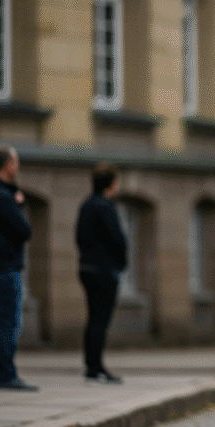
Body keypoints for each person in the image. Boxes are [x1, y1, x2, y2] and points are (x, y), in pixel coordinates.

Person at [0, 146, 37, 391]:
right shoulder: (2, 199)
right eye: (15, 162)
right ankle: (7, 374)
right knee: (7, 322)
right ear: (8, 166)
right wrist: (19, 205)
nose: (18, 167)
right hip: (3, 267)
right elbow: (24, 231)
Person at [75, 163, 128, 384]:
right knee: (100, 320)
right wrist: (120, 263)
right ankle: (95, 368)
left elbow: (78, 237)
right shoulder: (105, 207)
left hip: (86, 268)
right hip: (104, 270)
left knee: (93, 318)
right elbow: (117, 239)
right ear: (112, 184)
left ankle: (91, 366)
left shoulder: (86, 205)